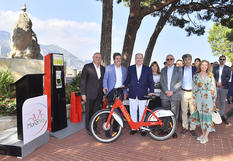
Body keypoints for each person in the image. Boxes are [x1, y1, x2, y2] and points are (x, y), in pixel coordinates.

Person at [123, 53, 154, 136]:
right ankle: (134, 127)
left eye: (140, 58)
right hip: (132, 93)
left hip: (143, 93)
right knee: (132, 111)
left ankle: (142, 128)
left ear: (142, 59)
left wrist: (151, 91)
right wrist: (123, 85)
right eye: (137, 58)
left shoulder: (147, 69)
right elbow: (128, 80)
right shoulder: (130, 68)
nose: (139, 59)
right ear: (135, 59)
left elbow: (151, 81)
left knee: (142, 111)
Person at [190, 60, 216, 144]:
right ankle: (203, 134)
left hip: (208, 98)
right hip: (198, 97)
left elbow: (213, 89)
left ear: (208, 66)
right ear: (200, 66)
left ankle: (206, 136)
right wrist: (194, 100)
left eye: (206, 65)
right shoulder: (196, 76)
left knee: (208, 116)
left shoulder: (211, 76)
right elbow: (194, 89)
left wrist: (213, 100)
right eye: (202, 65)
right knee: (201, 116)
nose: (204, 66)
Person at [80, 52, 105, 135]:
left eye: (99, 57)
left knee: (96, 113)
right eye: (96, 57)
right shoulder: (87, 67)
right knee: (89, 113)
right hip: (89, 94)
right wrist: (83, 93)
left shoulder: (102, 68)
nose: (98, 59)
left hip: (99, 95)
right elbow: (83, 81)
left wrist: (104, 93)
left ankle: (94, 128)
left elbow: (103, 82)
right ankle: (88, 129)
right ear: (93, 58)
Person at [103, 52, 127, 136]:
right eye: (117, 58)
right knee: (109, 111)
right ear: (114, 59)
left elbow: (125, 82)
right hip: (111, 91)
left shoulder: (124, 69)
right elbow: (105, 79)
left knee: (118, 111)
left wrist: (124, 93)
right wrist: (105, 87)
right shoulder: (109, 68)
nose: (118, 60)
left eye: (120, 59)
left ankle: (115, 128)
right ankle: (107, 129)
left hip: (120, 91)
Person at [160, 54, 182, 138]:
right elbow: (161, 82)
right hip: (165, 95)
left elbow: (180, 82)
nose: (169, 61)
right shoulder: (163, 70)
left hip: (175, 95)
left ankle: (174, 131)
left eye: (171, 59)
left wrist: (172, 91)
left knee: (174, 114)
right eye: (168, 59)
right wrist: (166, 91)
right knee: (165, 114)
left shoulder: (179, 69)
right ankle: (164, 129)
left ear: (174, 60)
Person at [180, 54, 197, 137]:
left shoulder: (195, 69)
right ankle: (185, 127)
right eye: (185, 60)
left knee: (193, 112)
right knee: (184, 111)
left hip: (193, 93)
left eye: (189, 59)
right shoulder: (180, 69)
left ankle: (192, 128)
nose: (187, 61)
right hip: (183, 92)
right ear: (183, 61)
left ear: (191, 60)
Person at [212, 55, 231, 124]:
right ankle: (215, 115)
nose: (222, 60)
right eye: (221, 59)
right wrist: (217, 83)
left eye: (223, 59)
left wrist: (221, 83)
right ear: (219, 60)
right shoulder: (215, 68)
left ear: (225, 60)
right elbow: (212, 76)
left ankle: (221, 114)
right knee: (216, 101)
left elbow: (228, 77)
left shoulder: (228, 68)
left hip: (224, 87)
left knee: (222, 101)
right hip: (216, 87)